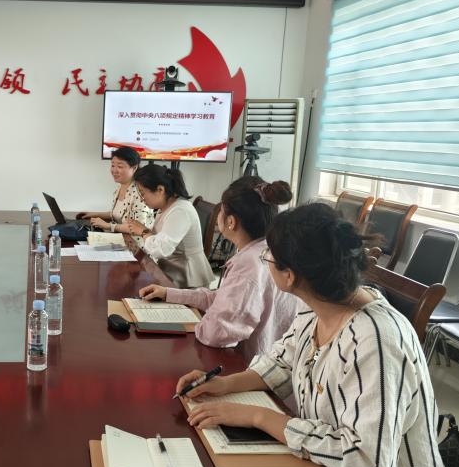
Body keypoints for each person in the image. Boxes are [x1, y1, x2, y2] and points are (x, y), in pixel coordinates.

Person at [177, 203, 457, 467]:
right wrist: (224, 384)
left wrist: (258, 416)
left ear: (289, 276)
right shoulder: (321, 304)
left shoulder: (376, 340)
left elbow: (368, 463)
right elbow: (282, 362)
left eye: (268, 257)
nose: (265, 261)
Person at [139, 177, 298, 360]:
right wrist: (170, 294)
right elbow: (223, 298)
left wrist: (192, 325)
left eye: (221, 210)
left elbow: (214, 333)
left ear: (231, 221)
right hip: (269, 360)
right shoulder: (268, 249)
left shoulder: (248, 264)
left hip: (247, 365)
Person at [127, 164, 214, 289]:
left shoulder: (180, 210)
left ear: (160, 190)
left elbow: (161, 249)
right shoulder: (166, 206)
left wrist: (143, 231)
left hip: (187, 279)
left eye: (143, 193)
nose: (141, 199)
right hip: (172, 272)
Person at [75, 146, 154, 236]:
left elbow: (138, 227)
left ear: (134, 168)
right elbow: (116, 214)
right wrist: (93, 214)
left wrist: (108, 226)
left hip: (135, 242)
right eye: (113, 165)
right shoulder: (120, 186)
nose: (114, 170)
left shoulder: (140, 192)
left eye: (120, 166)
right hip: (119, 237)